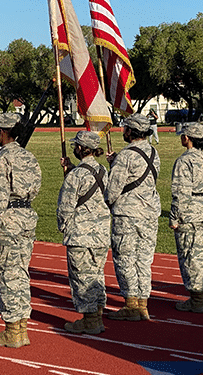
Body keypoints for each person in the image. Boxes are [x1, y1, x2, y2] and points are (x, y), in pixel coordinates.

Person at [0, 113, 42, 348]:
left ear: (2, 132)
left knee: (6, 275)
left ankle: (12, 330)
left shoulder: (2, 159)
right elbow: (37, 186)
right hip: (26, 216)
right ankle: (21, 328)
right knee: (21, 273)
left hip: (8, 219)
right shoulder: (28, 156)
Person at [104, 113, 161, 321]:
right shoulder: (154, 152)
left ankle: (130, 304)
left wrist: (106, 202)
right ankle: (143, 305)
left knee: (125, 258)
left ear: (131, 131)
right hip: (149, 212)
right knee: (144, 260)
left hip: (127, 213)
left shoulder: (126, 155)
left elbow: (113, 189)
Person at [57, 131, 111, 334]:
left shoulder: (76, 176)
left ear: (80, 148)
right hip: (101, 233)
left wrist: (62, 225)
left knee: (81, 277)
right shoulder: (104, 171)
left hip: (80, 234)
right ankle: (96, 315)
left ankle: (90, 320)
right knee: (97, 275)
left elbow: (65, 206)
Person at [169, 122, 203, 313]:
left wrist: (174, 217)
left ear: (187, 138)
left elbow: (180, 192)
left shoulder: (184, 161)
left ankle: (197, 299)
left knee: (191, 256)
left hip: (190, 212)